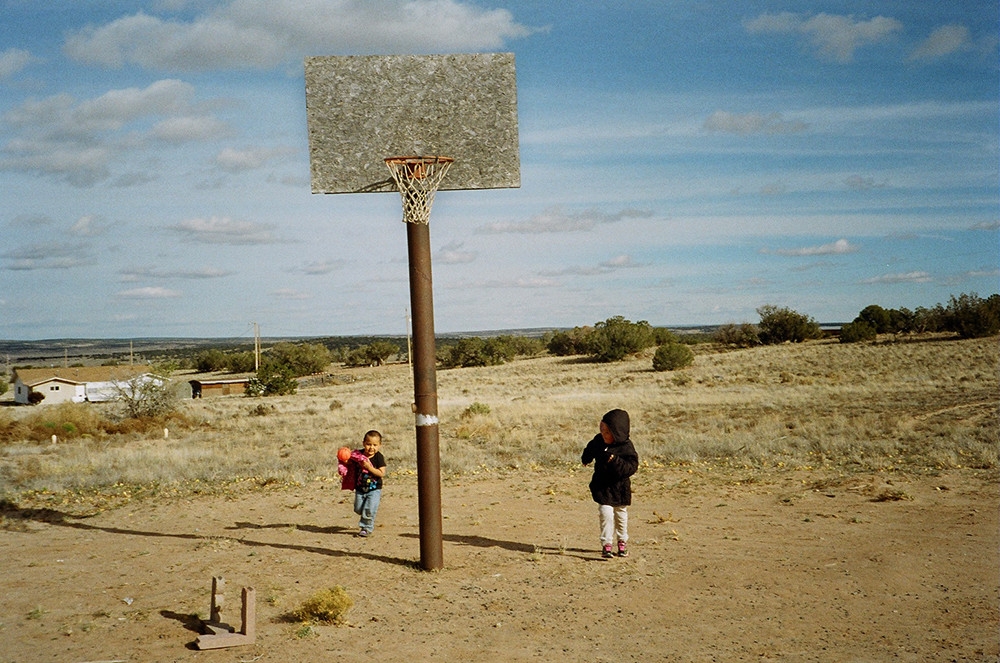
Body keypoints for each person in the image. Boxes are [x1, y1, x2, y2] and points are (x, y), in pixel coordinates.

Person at [581, 409, 639, 558]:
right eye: (601, 430)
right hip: (603, 486)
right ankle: (606, 544)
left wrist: (615, 461)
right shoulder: (598, 441)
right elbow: (590, 449)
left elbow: (631, 467)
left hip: (620, 489)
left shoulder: (626, 447)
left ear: (617, 433)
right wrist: (586, 458)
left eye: (607, 432)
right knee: (605, 513)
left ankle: (622, 542)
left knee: (620, 515)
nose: (603, 434)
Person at [352, 430, 387, 537]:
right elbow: (350, 465)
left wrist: (369, 467)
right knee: (358, 509)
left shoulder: (378, 457)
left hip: (374, 489)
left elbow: (381, 473)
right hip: (360, 488)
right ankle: (367, 516)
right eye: (368, 444)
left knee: (369, 509)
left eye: (375, 445)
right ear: (363, 443)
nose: (371, 447)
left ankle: (366, 528)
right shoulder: (359, 456)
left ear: (380, 445)